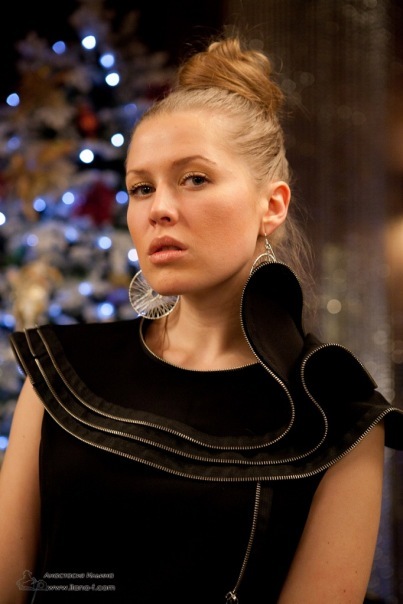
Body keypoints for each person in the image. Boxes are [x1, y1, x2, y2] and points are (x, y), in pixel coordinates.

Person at [0, 33, 402, 604]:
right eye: (141, 188)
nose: (159, 209)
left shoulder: (339, 414)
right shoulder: (60, 374)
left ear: (272, 205)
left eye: (194, 178)